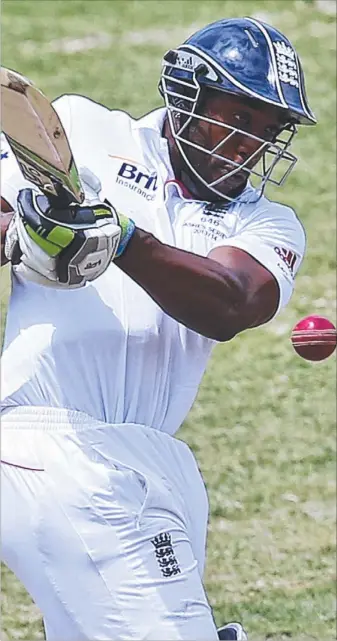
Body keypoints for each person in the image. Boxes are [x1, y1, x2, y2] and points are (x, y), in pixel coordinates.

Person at [0, 16, 316, 641]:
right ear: (187, 96)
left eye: (265, 130)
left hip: (156, 460)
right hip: (56, 442)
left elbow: (230, 303)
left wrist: (122, 239)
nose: (246, 144)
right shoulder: (86, 129)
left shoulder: (270, 224)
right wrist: (25, 237)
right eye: (236, 118)